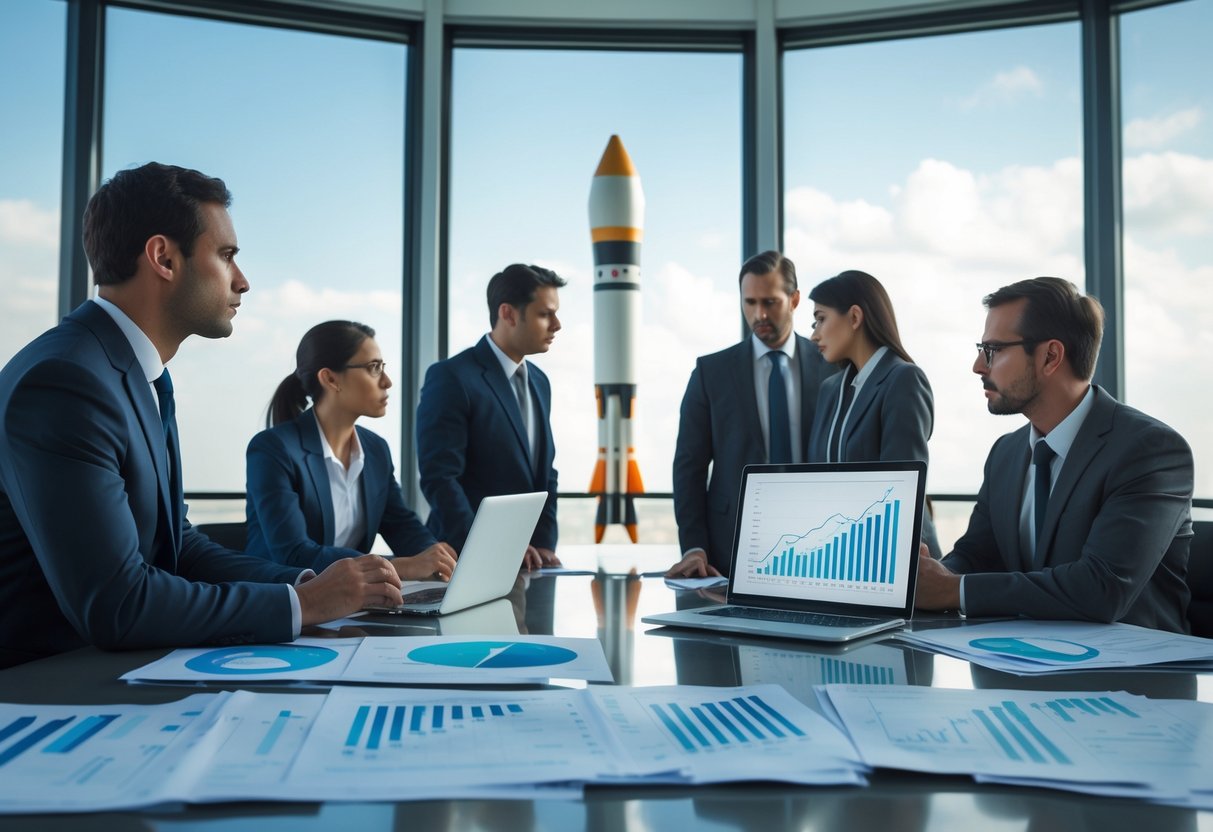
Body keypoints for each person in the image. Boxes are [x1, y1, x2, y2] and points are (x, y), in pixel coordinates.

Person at [0, 163, 402, 669]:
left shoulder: (135, 374)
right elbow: (117, 604)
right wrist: (305, 606)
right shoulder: (66, 382)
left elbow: (179, 546)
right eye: (227, 256)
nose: (244, 281)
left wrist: (303, 585)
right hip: (43, 694)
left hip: (114, 670)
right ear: (163, 258)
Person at [915, 277, 1193, 632]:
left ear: (1050, 356)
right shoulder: (1006, 453)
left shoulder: (1151, 451)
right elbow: (977, 555)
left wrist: (953, 590)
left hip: (1135, 676)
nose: (978, 366)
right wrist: (928, 576)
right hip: (1023, 661)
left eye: (993, 350)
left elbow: (1101, 588)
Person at [244, 321, 458, 581]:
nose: (388, 382)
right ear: (330, 379)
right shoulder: (273, 449)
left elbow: (402, 526)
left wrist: (437, 557)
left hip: (351, 605)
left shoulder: (376, 450)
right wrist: (403, 567)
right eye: (374, 368)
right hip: (284, 605)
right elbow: (294, 554)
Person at [669, 250, 834, 577]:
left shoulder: (831, 366)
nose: (759, 313)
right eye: (750, 302)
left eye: (770, 302)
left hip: (819, 538)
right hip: (729, 546)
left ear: (795, 300)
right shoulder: (710, 372)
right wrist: (693, 546)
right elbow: (689, 466)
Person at [416, 263, 563, 571]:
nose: (557, 324)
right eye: (544, 314)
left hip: (527, 564)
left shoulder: (540, 381)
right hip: (461, 564)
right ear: (507, 313)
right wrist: (491, 548)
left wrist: (545, 544)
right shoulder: (452, 377)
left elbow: (545, 474)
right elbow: (440, 477)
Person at [806, 269, 942, 559]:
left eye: (821, 318)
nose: (814, 334)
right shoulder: (831, 389)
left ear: (854, 317)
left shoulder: (903, 379)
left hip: (899, 556)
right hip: (840, 556)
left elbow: (903, 489)